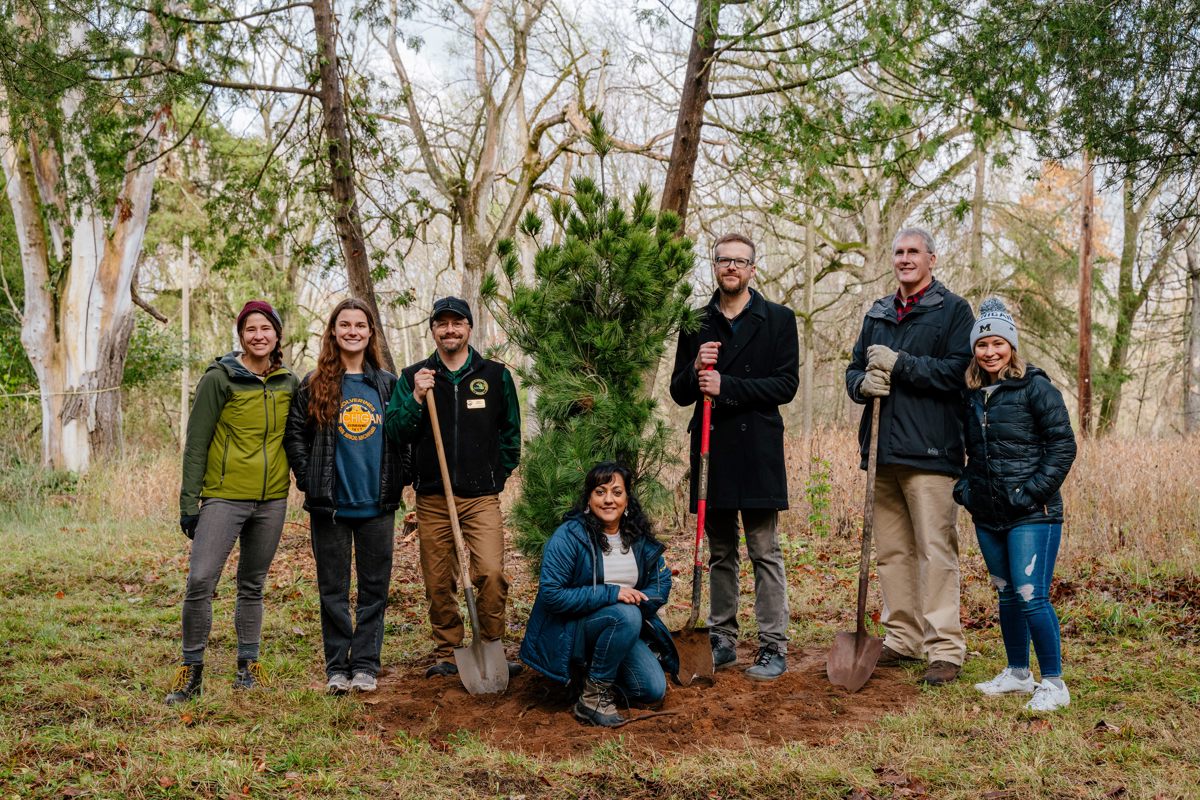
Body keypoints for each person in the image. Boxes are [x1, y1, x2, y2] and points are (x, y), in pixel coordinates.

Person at [845, 227, 976, 686]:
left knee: (936, 552)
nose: (904, 259)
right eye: (899, 252)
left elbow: (960, 372)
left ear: (932, 259)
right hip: (882, 453)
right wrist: (862, 384)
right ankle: (902, 638)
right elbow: (854, 368)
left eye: (913, 252)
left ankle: (944, 649)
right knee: (893, 552)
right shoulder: (878, 313)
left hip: (931, 453)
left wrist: (901, 365)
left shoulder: (954, 311)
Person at [669, 232, 799, 681]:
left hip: (758, 448)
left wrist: (729, 386)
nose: (731, 268)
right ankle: (722, 638)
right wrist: (694, 368)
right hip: (713, 447)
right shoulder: (694, 322)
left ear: (752, 269)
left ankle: (772, 645)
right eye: (724, 260)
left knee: (765, 549)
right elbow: (679, 392)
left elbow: (786, 385)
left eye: (740, 261)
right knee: (721, 550)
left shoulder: (779, 319)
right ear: (714, 266)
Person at [384, 297, 522, 677]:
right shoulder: (415, 375)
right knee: (438, 579)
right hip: (432, 497)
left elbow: (511, 436)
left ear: (469, 328)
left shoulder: (495, 376)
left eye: (456, 322)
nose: (449, 329)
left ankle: (491, 644)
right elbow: (395, 430)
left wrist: (497, 476)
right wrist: (415, 397)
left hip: (480, 498)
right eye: (441, 323)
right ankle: (448, 649)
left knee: (492, 573)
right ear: (432, 330)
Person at [169, 300, 299, 704]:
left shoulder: (288, 382)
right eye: (250, 329)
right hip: (224, 497)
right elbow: (196, 445)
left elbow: (297, 438)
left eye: (266, 328)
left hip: (273, 499)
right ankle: (191, 671)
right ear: (241, 335)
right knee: (201, 580)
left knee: (252, 585)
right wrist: (190, 503)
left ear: (277, 335)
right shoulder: (220, 378)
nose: (258, 335)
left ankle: (248, 666)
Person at [954, 298, 1077, 711]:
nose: (990, 351)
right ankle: (1018, 674)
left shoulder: (1036, 387)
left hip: (1032, 515)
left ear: (1012, 345)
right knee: (1007, 594)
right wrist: (966, 492)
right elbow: (967, 451)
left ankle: (1054, 683)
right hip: (988, 514)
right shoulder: (971, 393)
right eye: (982, 344)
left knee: (1032, 596)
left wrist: (1031, 493)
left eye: (998, 343)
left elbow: (1063, 446)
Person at [284, 298, 407, 695]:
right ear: (333, 332)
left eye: (360, 325)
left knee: (374, 591)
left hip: (376, 504)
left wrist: (400, 478)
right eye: (345, 325)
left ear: (370, 333)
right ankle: (338, 667)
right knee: (332, 591)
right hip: (331, 507)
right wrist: (308, 479)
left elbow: (405, 438)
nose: (352, 331)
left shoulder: (388, 385)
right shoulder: (314, 382)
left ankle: (366, 664)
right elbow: (296, 437)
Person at [519, 462, 678, 727]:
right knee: (625, 615)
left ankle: (591, 677)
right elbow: (552, 595)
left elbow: (660, 583)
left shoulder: (637, 536)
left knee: (650, 690)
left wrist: (638, 601)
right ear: (589, 498)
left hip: (621, 627)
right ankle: (592, 699)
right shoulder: (569, 536)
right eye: (600, 492)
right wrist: (613, 594)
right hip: (573, 630)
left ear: (627, 499)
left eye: (617, 492)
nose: (608, 500)